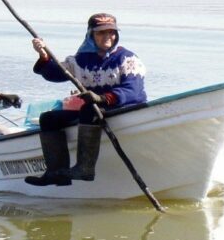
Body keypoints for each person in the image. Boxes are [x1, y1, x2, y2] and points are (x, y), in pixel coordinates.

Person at [25, 13, 146, 186]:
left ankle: (85, 167)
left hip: (122, 108)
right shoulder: (81, 60)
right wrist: (44, 55)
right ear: (91, 35)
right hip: (93, 112)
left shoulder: (127, 58)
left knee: (88, 109)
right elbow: (55, 73)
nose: (107, 37)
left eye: (111, 32)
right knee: (48, 118)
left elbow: (133, 91)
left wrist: (103, 98)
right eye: (101, 33)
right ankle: (57, 173)